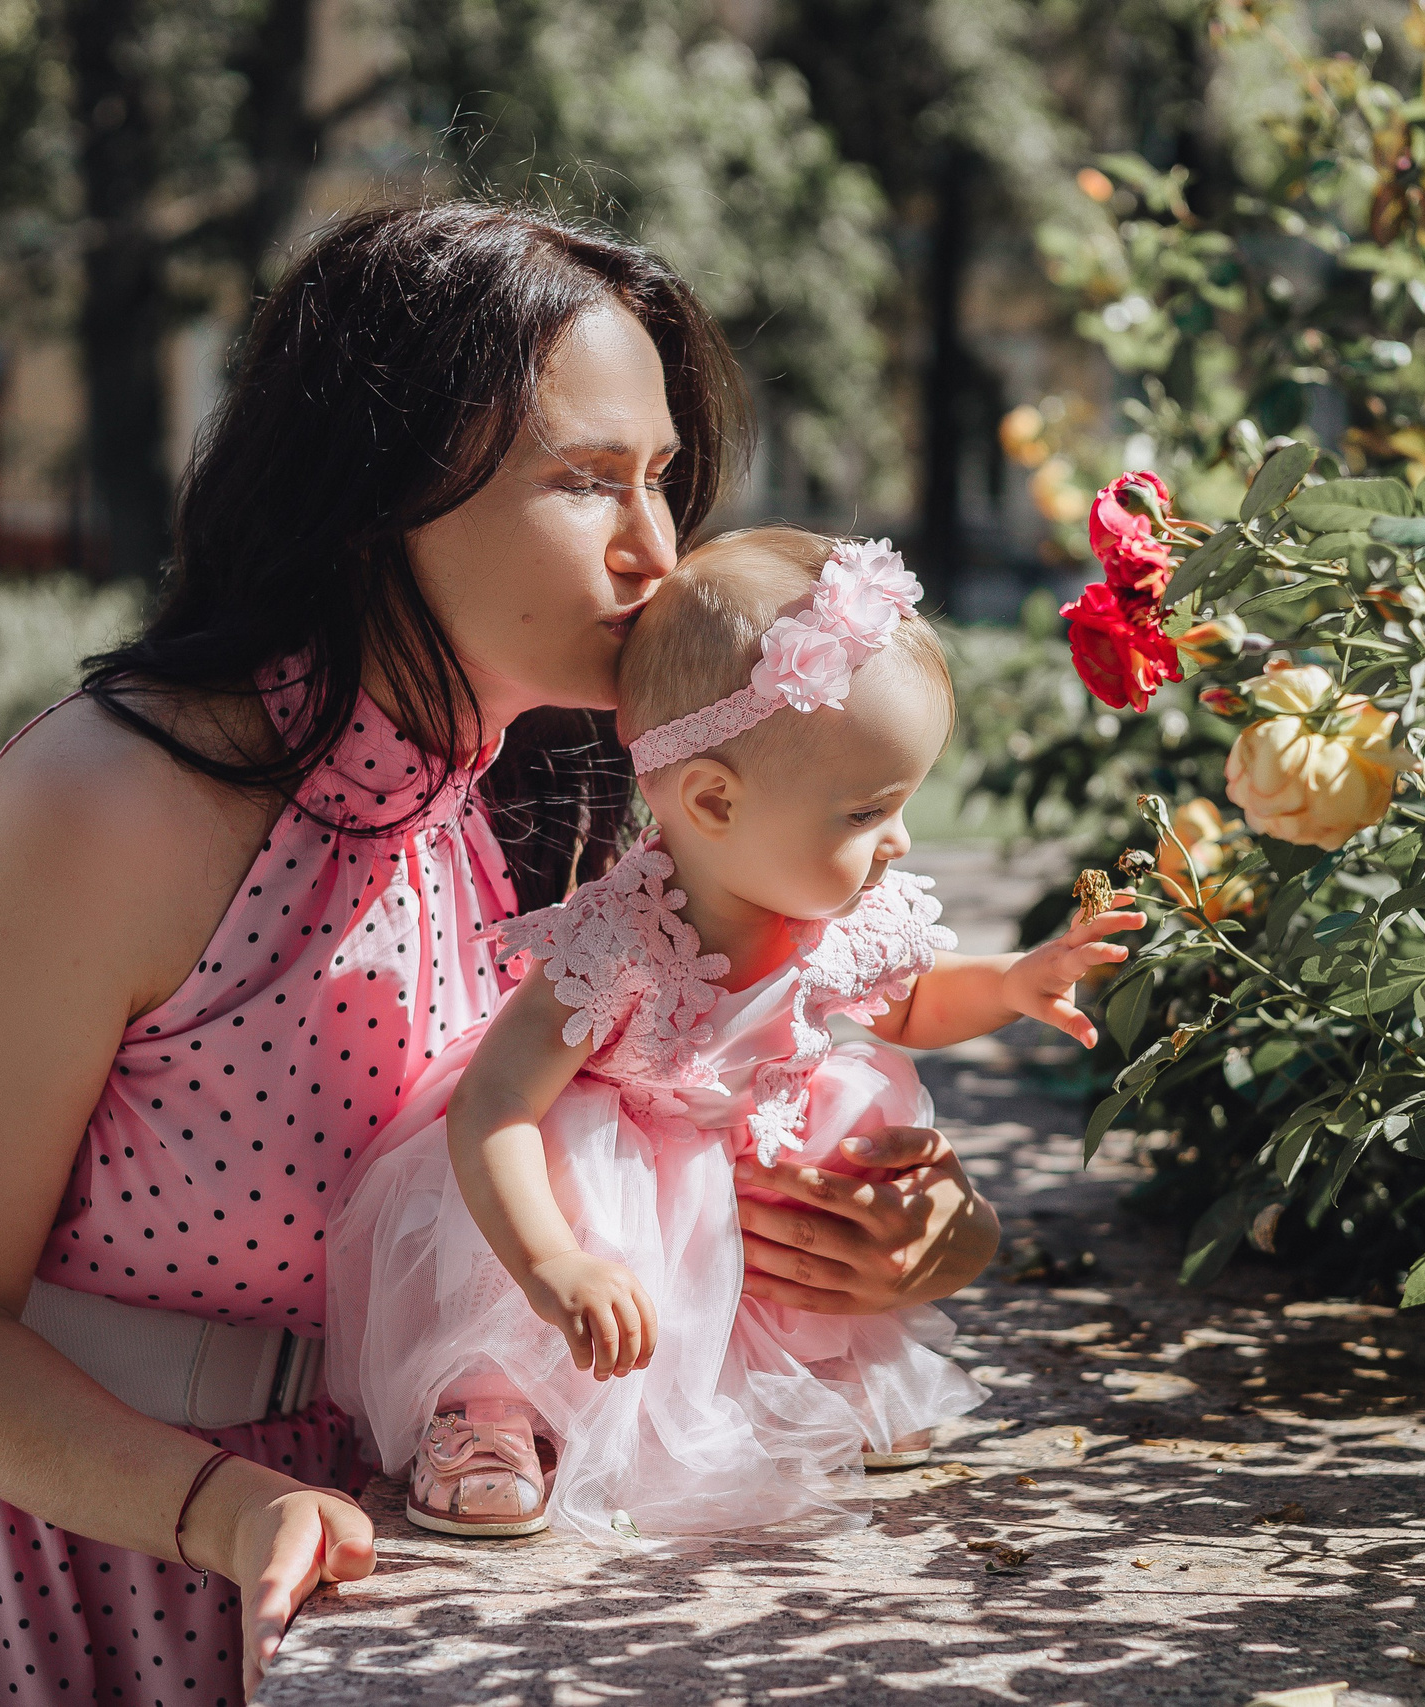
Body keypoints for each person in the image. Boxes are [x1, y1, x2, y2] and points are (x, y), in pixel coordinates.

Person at [0, 203, 1003, 1707]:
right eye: (589, 482)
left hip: (366, 1529)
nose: (658, 549)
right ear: (379, 489)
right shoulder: (106, 805)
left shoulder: (555, 798)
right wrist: (216, 1505)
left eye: (663, 478)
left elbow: (711, 1109)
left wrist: (917, 1236)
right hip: (37, 1543)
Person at [325, 530, 1139, 1543]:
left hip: (734, 1197)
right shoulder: (618, 940)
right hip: (615, 1192)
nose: (901, 840)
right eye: (867, 810)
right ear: (713, 801)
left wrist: (1014, 984)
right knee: (579, 1185)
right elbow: (495, 1105)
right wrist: (551, 1266)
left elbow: (911, 1002)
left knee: (843, 1105)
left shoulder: (832, 921)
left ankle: (808, 1366)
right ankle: (497, 1407)